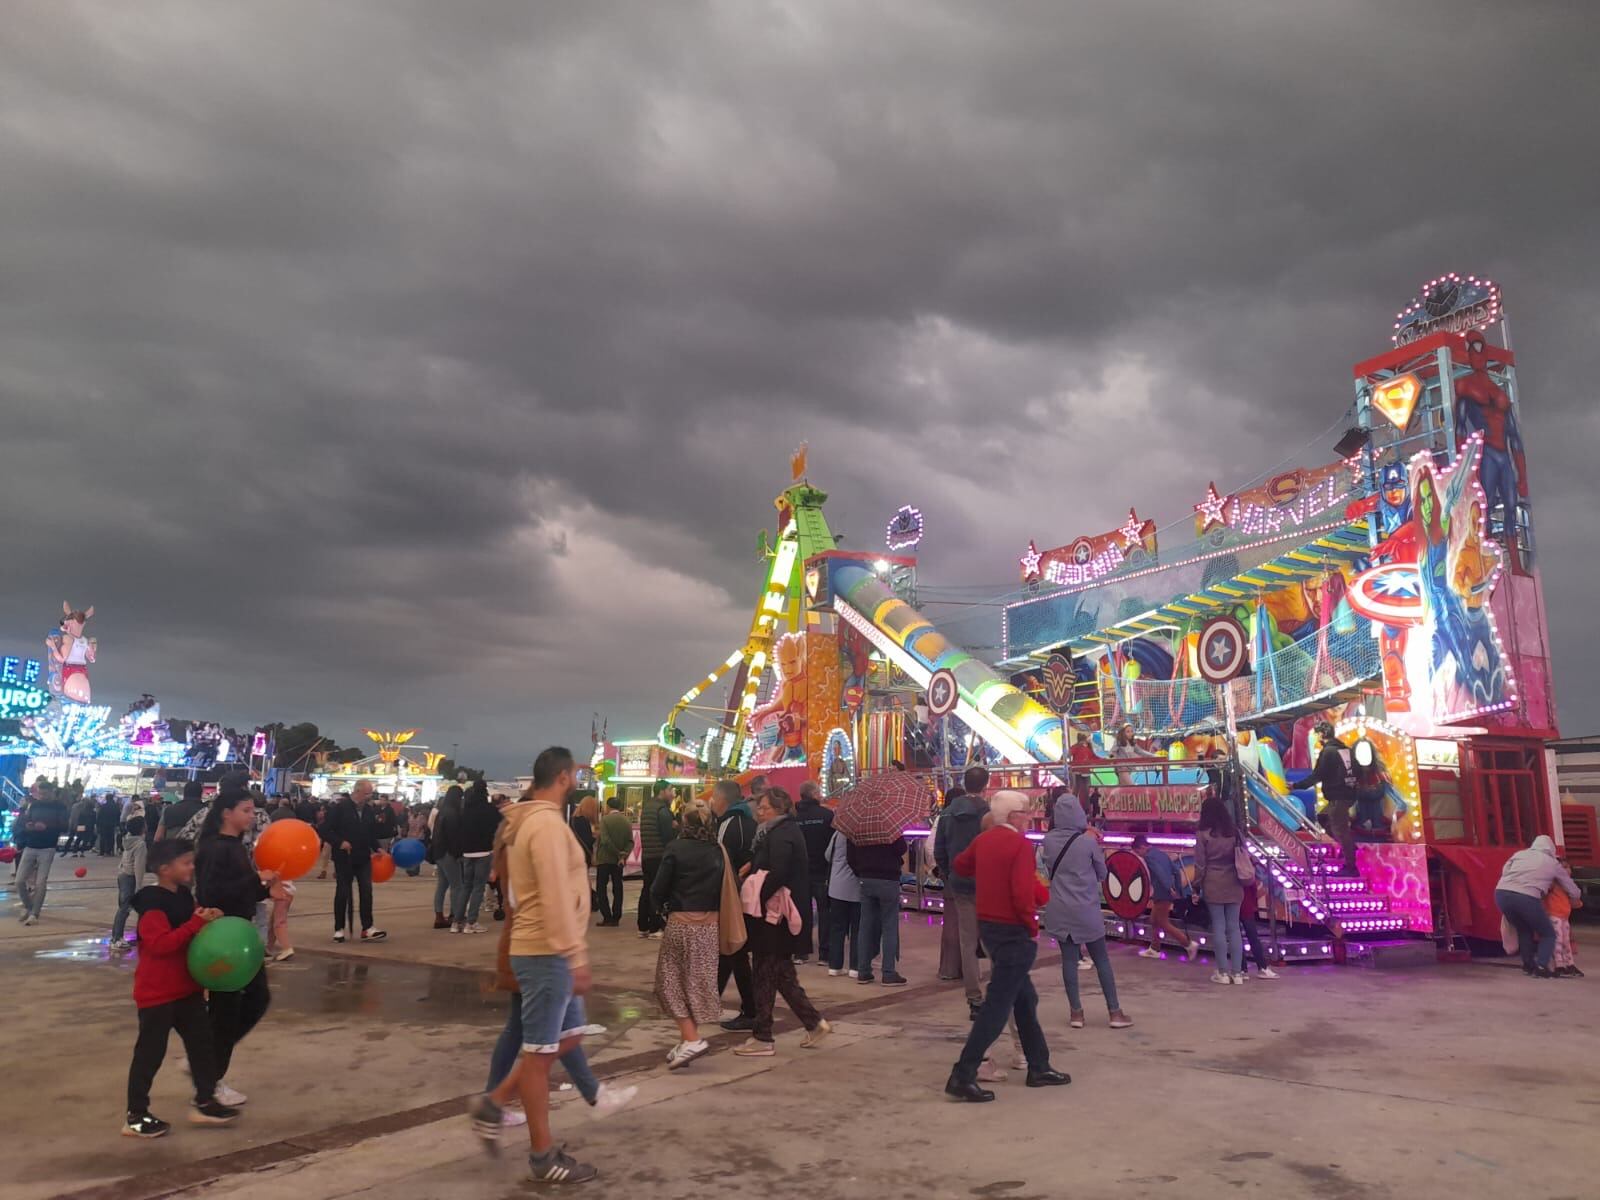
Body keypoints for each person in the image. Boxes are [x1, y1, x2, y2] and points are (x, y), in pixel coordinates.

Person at [469, 747, 635, 1184]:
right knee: (540, 1055)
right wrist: (574, 953)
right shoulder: (544, 825)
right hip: (546, 949)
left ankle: (500, 1101)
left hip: (542, 946)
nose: (578, 780)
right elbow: (556, 892)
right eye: (575, 773)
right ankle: (540, 1154)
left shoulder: (531, 821)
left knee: (564, 1038)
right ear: (563, 777)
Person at [945, 792, 1068, 1102]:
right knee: (998, 1006)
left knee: (1024, 999)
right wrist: (1030, 927)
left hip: (990, 927)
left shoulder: (985, 841)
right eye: (1026, 813)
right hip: (1013, 931)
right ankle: (963, 1073)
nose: (1030, 818)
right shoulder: (1019, 845)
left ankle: (1039, 1065)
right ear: (1014, 816)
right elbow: (1020, 894)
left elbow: (961, 865)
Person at [123, 837, 240, 1137]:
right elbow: (160, 945)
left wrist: (208, 918)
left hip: (187, 989)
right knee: (150, 1054)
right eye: (186, 863)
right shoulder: (152, 903)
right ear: (165, 869)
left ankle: (204, 1100)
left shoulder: (185, 896)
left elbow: (194, 928)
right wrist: (195, 925)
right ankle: (136, 1115)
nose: (192, 867)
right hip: (157, 992)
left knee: (202, 1047)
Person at [733, 787, 830, 1057]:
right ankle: (813, 1023)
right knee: (781, 974)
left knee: (764, 973)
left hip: (775, 916)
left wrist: (757, 897)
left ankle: (763, 1037)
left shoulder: (783, 833)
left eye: (763, 808)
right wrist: (752, 866)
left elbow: (778, 871)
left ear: (778, 809)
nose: (759, 812)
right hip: (775, 916)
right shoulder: (777, 832)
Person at [195, 785, 275, 1106]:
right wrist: (257, 881)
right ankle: (208, 1081)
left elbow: (246, 892)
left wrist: (267, 887)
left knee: (253, 1000)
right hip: (224, 937)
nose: (251, 815)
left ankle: (206, 1064)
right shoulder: (217, 848)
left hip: (240, 935)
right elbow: (213, 893)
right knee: (227, 1010)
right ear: (226, 813)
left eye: (252, 809)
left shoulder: (236, 847)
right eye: (245, 810)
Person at [1042, 793, 1132, 1029]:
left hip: (1059, 908)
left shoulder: (1048, 840)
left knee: (1069, 961)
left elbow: (1046, 868)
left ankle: (1076, 1014)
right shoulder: (1087, 842)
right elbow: (1102, 874)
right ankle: (1114, 1012)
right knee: (1101, 959)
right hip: (1086, 909)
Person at [651, 800, 726, 1069]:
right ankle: (687, 1038)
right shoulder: (718, 850)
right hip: (710, 925)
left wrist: (660, 910)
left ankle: (692, 1038)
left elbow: (658, 888)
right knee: (696, 981)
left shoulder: (676, 848)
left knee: (669, 982)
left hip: (682, 922)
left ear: (684, 822)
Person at [933, 765, 990, 1016]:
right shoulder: (988, 814)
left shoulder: (947, 814)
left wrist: (949, 873)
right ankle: (998, 990)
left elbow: (938, 850)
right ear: (985, 786)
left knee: (967, 939)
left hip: (959, 882)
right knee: (991, 936)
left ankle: (973, 995)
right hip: (986, 883)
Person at [1495, 834, 1580, 977]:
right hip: (1526, 896)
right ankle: (1541, 966)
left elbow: (1505, 871)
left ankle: (1528, 966)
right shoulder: (1552, 862)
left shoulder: (1520, 854)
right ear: (1550, 848)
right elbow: (1569, 885)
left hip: (1501, 894)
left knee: (1524, 929)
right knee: (1548, 933)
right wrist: (1576, 896)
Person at [710, 780, 758, 1030]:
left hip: (733, 897)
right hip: (748, 895)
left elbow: (722, 863)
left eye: (714, 798)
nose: (711, 802)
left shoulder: (728, 824)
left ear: (722, 800)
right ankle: (711, 1001)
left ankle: (751, 1010)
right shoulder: (750, 822)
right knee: (731, 951)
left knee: (733, 950)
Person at [1193, 794, 1246, 984]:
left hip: (1213, 883)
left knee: (1219, 927)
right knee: (1234, 928)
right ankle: (1238, 973)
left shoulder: (1203, 835)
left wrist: (1196, 886)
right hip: (1234, 882)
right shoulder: (1235, 832)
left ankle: (1223, 972)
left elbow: (1200, 864)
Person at [327, 780, 387, 942]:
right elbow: (325, 829)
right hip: (344, 857)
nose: (369, 797)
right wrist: (340, 842)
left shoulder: (368, 811)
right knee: (343, 892)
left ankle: (367, 927)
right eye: (367, 794)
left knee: (366, 891)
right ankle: (339, 928)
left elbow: (370, 834)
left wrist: (377, 848)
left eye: (370, 794)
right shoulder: (340, 808)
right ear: (357, 791)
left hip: (363, 857)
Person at [849, 832, 908, 985]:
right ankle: (888, 972)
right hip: (888, 878)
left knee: (865, 925)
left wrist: (861, 871)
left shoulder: (858, 825)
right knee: (889, 926)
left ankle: (863, 971)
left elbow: (850, 855)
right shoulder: (889, 824)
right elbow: (901, 848)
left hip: (866, 878)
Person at [1132, 835, 1198, 961]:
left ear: (1141, 847)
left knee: (1162, 922)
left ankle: (1188, 944)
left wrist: (1169, 888)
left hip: (1163, 892)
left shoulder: (1149, 857)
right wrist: (1178, 889)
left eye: (1137, 852)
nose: (1139, 856)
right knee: (1154, 920)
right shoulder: (1160, 853)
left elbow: (1159, 874)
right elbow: (1176, 871)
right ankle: (1154, 948)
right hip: (1166, 892)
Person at [1307, 721, 1359, 876]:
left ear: (1322, 734)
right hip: (1347, 794)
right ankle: (1349, 847)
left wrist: (1296, 786)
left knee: (1340, 830)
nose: (1315, 737)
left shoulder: (1328, 752)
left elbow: (1318, 775)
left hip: (1338, 796)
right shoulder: (1345, 749)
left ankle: (1351, 866)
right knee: (1323, 817)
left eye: (1316, 734)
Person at [792, 781, 834, 964]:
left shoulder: (794, 818)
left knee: (802, 912)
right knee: (825, 912)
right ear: (814, 794)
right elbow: (832, 845)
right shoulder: (827, 815)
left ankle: (801, 952)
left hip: (800, 872)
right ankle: (824, 954)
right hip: (822, 871)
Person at [15, 780, 68, 925]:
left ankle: (34, 914)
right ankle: (29, 907)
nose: (42, 796)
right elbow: (26, 820)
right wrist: (28, 826)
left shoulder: (60, 807)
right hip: (30, 845)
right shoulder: (34, 804)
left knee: (40, 883)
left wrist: (46, 827)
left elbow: (65, 826)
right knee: (19, 881)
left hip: (47, 847)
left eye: (45, 793)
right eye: (40, 793)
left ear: (52, 792)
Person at [456, 781, 502, 934]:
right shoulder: (489, 810)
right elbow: (499, 826)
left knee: (466, 886)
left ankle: (457, 922)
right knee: (478, 887)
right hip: (483, 852)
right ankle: (471, 922)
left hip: (466, 852)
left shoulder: (465, 810)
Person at [636, 781, 676, 938]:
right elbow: (668, 836)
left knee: (647, 890)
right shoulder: (662, 810)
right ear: (662, 792)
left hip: (647, 856)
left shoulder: (647, 807)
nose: (672, 794)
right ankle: (655, 927)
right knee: (657, 891)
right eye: (670, 790)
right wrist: (675, 827)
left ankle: (642, 926)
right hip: (660, 856)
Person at [824, 827, 861, 976]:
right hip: (856, 888)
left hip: (836, 887)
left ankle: (834, 966)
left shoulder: (837, 834)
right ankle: (855, 967)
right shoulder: (860, 834)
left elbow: (827, 855)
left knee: (837, 928)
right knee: (857, 929)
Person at [110, 816, 149, 949]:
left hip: (122, 874)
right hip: (130, 877)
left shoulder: (128, 840)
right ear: (142, 828)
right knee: (125, 909)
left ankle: (116, 937)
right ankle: (117, 939)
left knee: (123, 908)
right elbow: (139, 866)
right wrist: (139, 886)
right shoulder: (140, 844)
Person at [593, 796, 632, 927]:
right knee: (618, 888)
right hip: (618, 862)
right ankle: (616, 917)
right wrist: (623, 855)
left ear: (608, 806)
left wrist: (616, 852)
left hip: (604, 859)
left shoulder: (605, 820)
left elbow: (605, 840)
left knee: (601, 888)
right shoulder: (626, 821)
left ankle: (607, 916)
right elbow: (630, 842)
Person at [1545, 853, 1584, 978]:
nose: (1567, 870)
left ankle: (1570, 963)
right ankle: (1559, 964)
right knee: (1558, 939)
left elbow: (1575, 903)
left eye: (1568, 867)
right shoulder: (1553, 884)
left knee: (1566, 941)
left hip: (1564, 916)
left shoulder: (1568, 885)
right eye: (1563, 868)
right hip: (1554, 914)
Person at [431, 785, 465, 930]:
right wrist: (458, 854)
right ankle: (455, 916)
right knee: (457, 885)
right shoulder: (453, 813)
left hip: (438, 852)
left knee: (442, 885)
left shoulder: (441, 812)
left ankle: (439, 916)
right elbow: (454, 837)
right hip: (449, 853)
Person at [1237, 876, 1278, 979]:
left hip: (1234, 903)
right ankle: (1262, 967)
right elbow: (1252, 885)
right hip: (1246, 903)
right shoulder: (1246, 863)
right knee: (1252, 937)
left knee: (1237, 937)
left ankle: (1242, 969)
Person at [569, 791, 599, 913]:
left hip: (574, 853)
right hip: (583, 854)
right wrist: (595, 836)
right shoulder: (583, 821)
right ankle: (589, 901)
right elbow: (587, 839)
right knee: (583, 879)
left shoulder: (573, 819)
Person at [68, 792, 96, 857]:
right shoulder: (93, 813)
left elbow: (80, 819)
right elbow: (94, 821)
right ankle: (82, 852)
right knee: (85, 840)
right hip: (89, 827)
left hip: (81, 826)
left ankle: (75, 851)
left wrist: (77, 825)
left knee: (79, 838)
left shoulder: (82, 812)